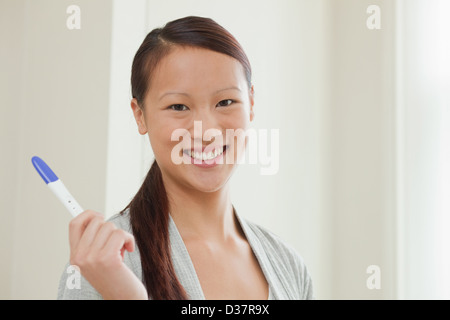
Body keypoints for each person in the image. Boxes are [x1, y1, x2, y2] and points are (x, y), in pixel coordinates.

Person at [57, 16, 313, 300]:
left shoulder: (290, 267)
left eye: (225, 102)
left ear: (251, 103)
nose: (207, 132)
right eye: (178, 106)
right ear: (140, 115)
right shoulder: (103, 268)